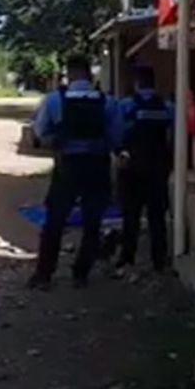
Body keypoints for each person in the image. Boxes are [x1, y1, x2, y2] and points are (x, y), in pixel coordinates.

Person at [28, 53, 119, 289]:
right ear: (90, 74)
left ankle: (44, 274)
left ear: (69, 74)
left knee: (55, 221)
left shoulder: (54, 100)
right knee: (92, 222)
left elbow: (41, 132)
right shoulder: (108, 102)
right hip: (97, 166)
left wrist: (57, 142)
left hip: (67, 166)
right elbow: (116, 137)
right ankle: (81, 274)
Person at [114, 65, 175, 274]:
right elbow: (173, 136)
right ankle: (159, 260)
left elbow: (117, 134)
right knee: (157, 217)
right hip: (158, 169)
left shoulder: (126, 106)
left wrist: (119, 154)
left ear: (136, 83)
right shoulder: (167, 107)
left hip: (132, 168)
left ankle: (127, 257)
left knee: (130, 215)